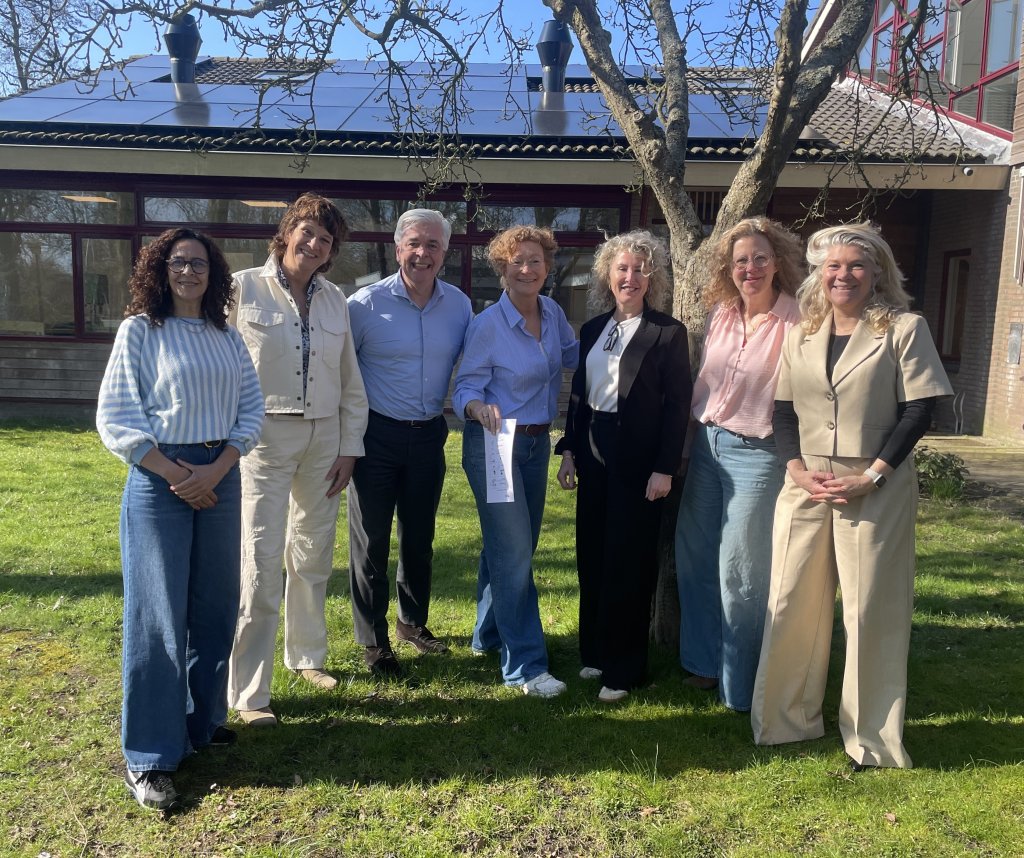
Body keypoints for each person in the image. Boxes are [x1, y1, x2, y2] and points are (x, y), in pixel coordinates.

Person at [751, 223, 953, 770]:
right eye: (834, 267)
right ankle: (785, 721)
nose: (844, 275)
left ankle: (871, 739)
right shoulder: (802, 332)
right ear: (821, 275)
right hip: (808, 484)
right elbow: (784, 411)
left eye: (857, 266)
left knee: (869, 612)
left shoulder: (905, 329)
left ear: (878, 273)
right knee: (791, 600)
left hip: (875, 485)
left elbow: (920, 409)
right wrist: (794, 468)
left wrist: (875, 474)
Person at [96, 228, 263, 811]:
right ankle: (150, 757)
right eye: (177, 262)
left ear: (214, 273)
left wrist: (214, 472)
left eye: (198, 263)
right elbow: (117, 415)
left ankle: (200, 723)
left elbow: (251, 409)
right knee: (158, 619)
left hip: (220, 474)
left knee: (215, 607)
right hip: (158, 478)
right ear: (159, 270)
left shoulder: (227, 337)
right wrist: (176, 474)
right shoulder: (140, 331)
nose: (188, 271)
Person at [228, 193, 368, 726]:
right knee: (260, 560)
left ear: (332, 252)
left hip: (325, 442)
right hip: (261, 437)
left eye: (325, 240)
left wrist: (350, 447)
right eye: (307, 232)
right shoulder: (242, 289)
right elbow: (223, 366)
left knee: (311, 553)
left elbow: (351, 381)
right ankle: (248, 691)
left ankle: (306, 656)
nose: (313, 244)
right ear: (287, 232)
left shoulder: (335, 300)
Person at [674, 217, 804, 712]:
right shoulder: (721, 314)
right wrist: (687, 446)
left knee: (741, 570)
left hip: (759, 455)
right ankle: (704, 663)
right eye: (741, 260)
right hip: (708, 446)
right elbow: (703, 385)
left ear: (778, 263)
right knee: (696, 558)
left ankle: (742, 683)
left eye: (760, 258)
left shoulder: (796, 319)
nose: (750, 268)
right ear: (729, 269)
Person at [555, 230, 690, 703]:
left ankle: (625, 667)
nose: (630, 277)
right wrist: (568, 449)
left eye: (639, 269)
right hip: (592, 450)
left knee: (629, 559)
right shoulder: (592, 329)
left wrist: (664, 467)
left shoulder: (668, 333)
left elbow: (677, 406)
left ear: (652, 278)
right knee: (592, 550)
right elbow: (578, 396)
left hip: (640, 457)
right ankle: (594, 651)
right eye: (622, 268)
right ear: (607, 275)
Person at [453, 225, 579, 697]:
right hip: (494, 443)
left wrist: (625, 343)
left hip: (533, 445)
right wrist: (476, 408)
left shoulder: (552, 312)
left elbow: (573, 356)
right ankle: (525, 667)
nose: (527, 269)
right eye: (517, 262)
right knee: (514, 554)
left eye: (536, 261)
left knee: (507, 547)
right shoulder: (487, 326)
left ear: (547, 267)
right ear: (503, 269)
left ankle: (487, 635)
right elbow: (465, 384)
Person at [347, 209, 473, 677]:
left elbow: (475, 367)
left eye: (433, 245)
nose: (423, 253)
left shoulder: (459, 306)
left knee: (419, 539)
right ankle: (374, 641)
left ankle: (411, 622)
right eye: (414, 243)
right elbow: (341, 372)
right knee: (371, 542)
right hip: (375, 435)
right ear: (398, 248)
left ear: (445, 252)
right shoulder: (363, 305)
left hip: (428, 435)